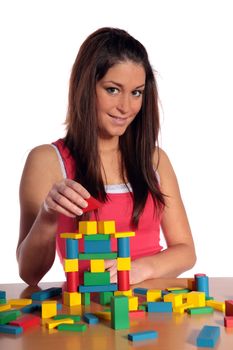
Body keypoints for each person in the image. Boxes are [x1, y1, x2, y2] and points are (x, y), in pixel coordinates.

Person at [17, 27, 196, 287]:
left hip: (156, 307)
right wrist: (48, 215)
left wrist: (137, 269)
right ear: (85, 87)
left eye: (136, 92)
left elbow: (185, 251)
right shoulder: (46, 160)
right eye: (113, 90)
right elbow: (30, 274)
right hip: (91, 310)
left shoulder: (155, 159)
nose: (126, 107)